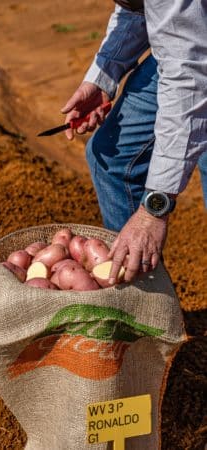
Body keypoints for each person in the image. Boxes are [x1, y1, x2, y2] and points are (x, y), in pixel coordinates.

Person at [61, 0, 207, 286]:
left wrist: (154, 210)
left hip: (190, 54)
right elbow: (141, 7)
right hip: (188, 33)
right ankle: (147, 310)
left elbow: (188, 78)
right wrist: (103, 76)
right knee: (113, 157)